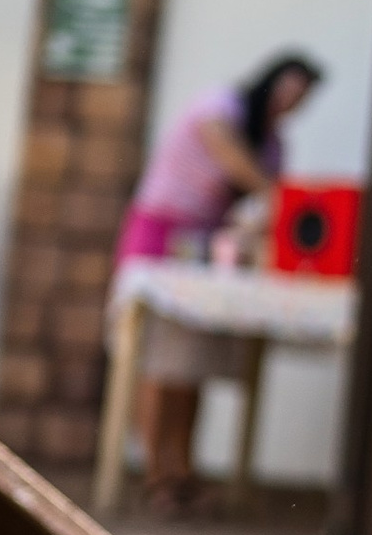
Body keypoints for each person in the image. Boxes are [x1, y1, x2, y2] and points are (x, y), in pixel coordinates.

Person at [114, 50, 324, 508]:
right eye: (289, 90)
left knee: (191, 364)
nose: (291, 102)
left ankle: (181, 467)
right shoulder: (220, 105)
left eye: (301, 97)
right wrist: (281, 196)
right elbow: (229, 155)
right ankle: (156, 472)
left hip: (207, 244)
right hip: (162, 233)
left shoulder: (272, 144)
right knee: (159, 361)